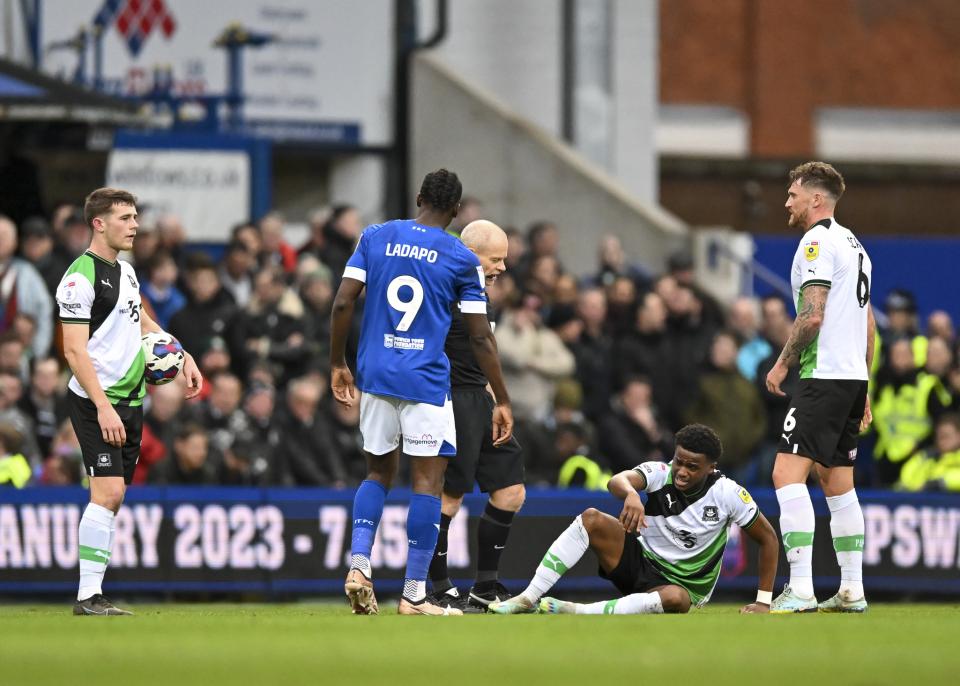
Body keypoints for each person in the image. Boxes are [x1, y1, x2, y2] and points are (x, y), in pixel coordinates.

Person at [330, 169, 514, 616]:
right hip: (426, 381)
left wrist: (338, 362)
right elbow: (480, 337)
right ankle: (414, 594)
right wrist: (503, 398)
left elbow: (342, 303)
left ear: (418, 198)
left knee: (377, 475)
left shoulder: (374, 236)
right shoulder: (458, 255)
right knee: (428, 484)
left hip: (375, 375)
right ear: (456, 211)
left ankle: (359, 564)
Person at [56, 188, 202, 616]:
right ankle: (88, 597)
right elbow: (73, 351)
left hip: (130, 398)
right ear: (98, 223)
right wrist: (101, 406)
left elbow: (141, 318)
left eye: (136, 216)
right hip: (94, 400)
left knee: (113, 497)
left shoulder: (127, 271)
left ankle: (93, 593)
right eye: (125, 217)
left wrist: (182, 353)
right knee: (107, 492)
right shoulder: (78, 278)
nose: (135, 225)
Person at [490, 424, 779, 615]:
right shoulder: (659, 472)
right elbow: (618, 480)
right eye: (679, 461)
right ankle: (528, 598)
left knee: (677, 599)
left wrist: (763, 602)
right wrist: (630, 494)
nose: (681, 471)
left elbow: (767, 538)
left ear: (711, 468)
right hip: (640, 561)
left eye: (693, 467)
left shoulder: (728, 494)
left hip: (682, 588)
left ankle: (577, 611)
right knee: (591, 518)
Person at [765, 161, 874, 613]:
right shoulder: (857, 246)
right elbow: (868, 325)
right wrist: (864, 387)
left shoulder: (816, 242)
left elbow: (812, 314)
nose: (786, 201)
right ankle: (852, 589)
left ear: (815, 198)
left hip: (823, 374)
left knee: (785, 474)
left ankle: (802, 588)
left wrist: (782, 363)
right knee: (837, 482)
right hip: (851, 377)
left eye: (793, 194)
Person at [426, 220, 526, 612]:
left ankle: (486, 587)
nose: (501, 268)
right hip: (452, 400)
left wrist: (493, 396)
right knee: (449, 497)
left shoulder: (476, 290)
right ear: (470, 256)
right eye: (495, 259)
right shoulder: (447, 288)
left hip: (480, 399)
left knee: (511, 490)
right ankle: (436, 586)